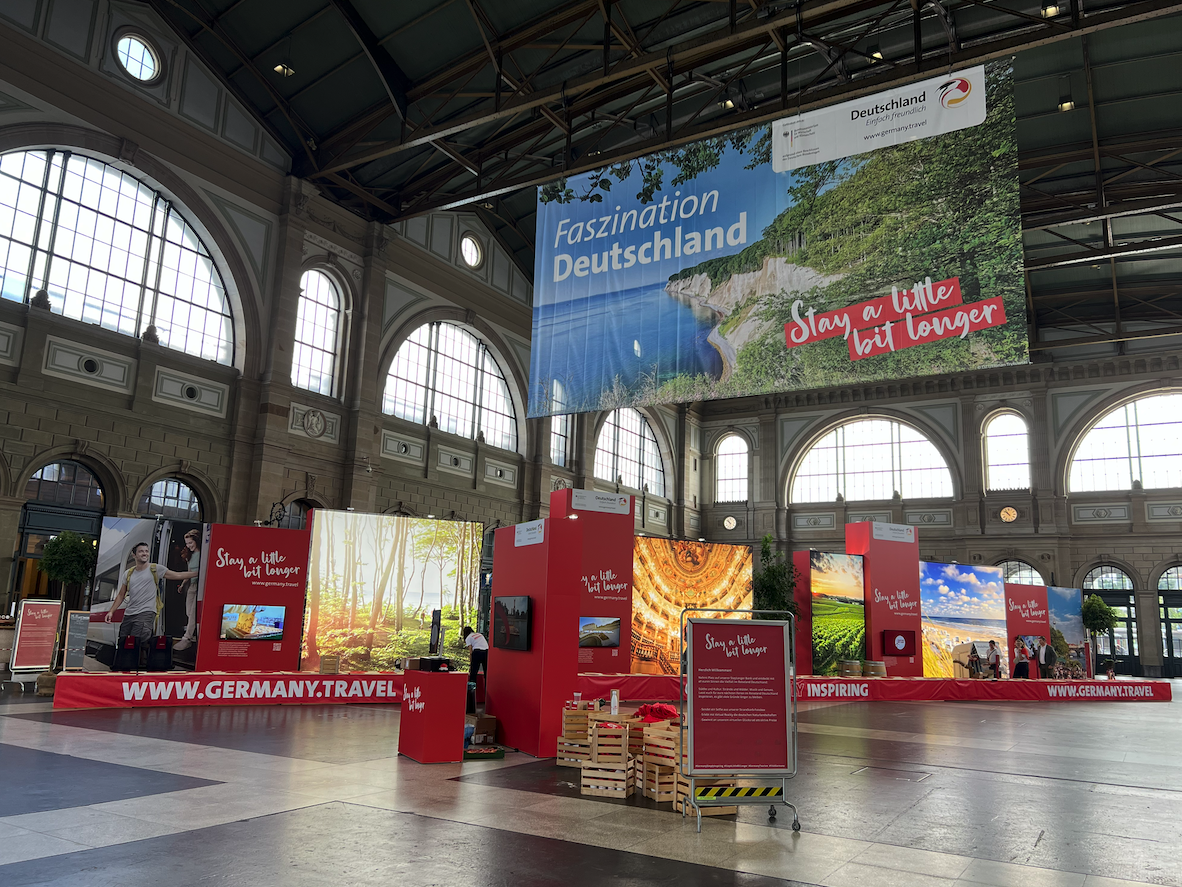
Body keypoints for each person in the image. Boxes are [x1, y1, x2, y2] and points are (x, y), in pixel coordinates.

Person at [104, 542, 197, 668]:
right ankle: (126, 667)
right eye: (141, 551)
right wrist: (111, 611)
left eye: (146, 551)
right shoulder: (128, 573)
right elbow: (121, 595)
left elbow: (177, 575)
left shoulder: (155, 569)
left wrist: (198, 573)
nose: (145, 553)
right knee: (124, 641)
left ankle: (135, 669)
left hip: (146, 612)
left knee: (137, 640)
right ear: (134, 555)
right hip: (129, 614)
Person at [173, 529, 202, 652]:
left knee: (194, 613)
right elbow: (189, 572)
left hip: (201, 586)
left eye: (191, 543)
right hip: (192, 586)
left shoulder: (203, 554)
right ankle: (195, 633)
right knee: (189, 612)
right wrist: (182, 584)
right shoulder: (189, 556)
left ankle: (187, 638)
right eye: (187, 543)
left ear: (196, 541)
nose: (189, 546)